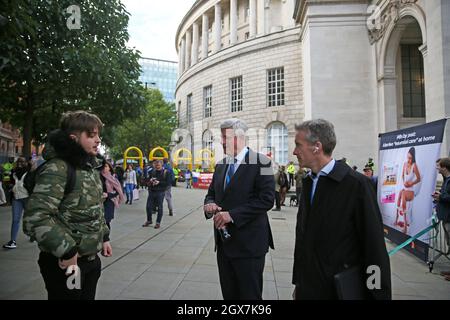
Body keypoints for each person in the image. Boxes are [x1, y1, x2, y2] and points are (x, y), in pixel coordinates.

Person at [292, 119, 391, 300]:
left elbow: (374, 247)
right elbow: (303, 240)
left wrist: (377, 295)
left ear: (317, 146)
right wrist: (298, 282)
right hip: (309, 289)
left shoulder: (357, 185)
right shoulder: (308, 182)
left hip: (339, 291)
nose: (294, 152)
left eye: (298, 145)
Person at [23, 110, 112, 300]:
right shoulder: (58, 168)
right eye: (91, 135)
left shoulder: (89, 167)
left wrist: (104, 236)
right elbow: (36, 218)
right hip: (68, 262)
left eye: (98, 135)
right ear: (73, 138)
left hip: (90, 260)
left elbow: (95, 208)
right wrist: (67, 250)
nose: (97, 140)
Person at [204, 118, 275, 300]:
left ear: (237, 138)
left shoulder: (264, 163)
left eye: (224, 137)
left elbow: (267, 200)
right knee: (229, 295)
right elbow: (211, 193)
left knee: (249, 297)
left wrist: (232, 215)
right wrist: (209, 204)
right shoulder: (220, 166)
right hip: (224, 244)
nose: (221, 141)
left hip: (249, 245)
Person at [3, 157, 30, 249]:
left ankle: (32, 234)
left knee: (29, 219)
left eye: (22, 161)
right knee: (15, 220)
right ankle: (12, 241)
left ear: (26, 163)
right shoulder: (13, 172)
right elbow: (7, 181)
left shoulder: (30, 173)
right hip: (16, 198)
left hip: (27, 198)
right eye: (18, 161)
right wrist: (9, 186)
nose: (19, 163)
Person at [394, 147, 421, 233]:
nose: (408, 159)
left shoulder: (414, 165)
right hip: (405, 188)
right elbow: (402, 175)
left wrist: (411, 183)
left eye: (410, 158)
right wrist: (404, 182)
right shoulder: (405, 164)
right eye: (407, 157)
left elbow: (419, 179)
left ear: (413, 157)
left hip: (411, 191)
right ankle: (397, 218)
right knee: (400, 194)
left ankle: (405, 226)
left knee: (403, 194)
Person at [433, 157, 450, 281]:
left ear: (444, 167)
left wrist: (441, 197)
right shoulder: (446, 180)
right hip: (445, 216)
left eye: (438, 166)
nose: (437, 168)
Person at [142, 159, 170, 229]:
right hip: (152, 191)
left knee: (159, 207)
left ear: (161, 165)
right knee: (148, 207)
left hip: (160, 191)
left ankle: (158, 222)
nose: (157, 166)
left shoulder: (166, 172)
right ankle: (149, 220)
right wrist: (150, 180)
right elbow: (147, 180)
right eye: (156, 165)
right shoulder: (152, 171)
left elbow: (168, 183)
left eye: (158, 165)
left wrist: (159, 182)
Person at [100, 161, 124, 232]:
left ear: (110, 168)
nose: (104, 168)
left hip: (109, 201)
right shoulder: (98, 176)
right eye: (103, 166)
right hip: (99, 201)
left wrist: (108, 194)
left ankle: (106, 239)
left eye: (106, 166)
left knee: (106, 221)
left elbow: (117, 191)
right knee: (100, 221)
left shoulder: (113, 177)